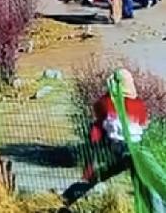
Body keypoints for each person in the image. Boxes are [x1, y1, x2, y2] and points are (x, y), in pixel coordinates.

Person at [63, 69, 149, 205]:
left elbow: (99, 114)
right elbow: (143, 124)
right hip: (136, 147)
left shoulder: (105, 102)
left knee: (94, 173)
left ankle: (74, 192)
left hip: (115, 146)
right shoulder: (139, 105)